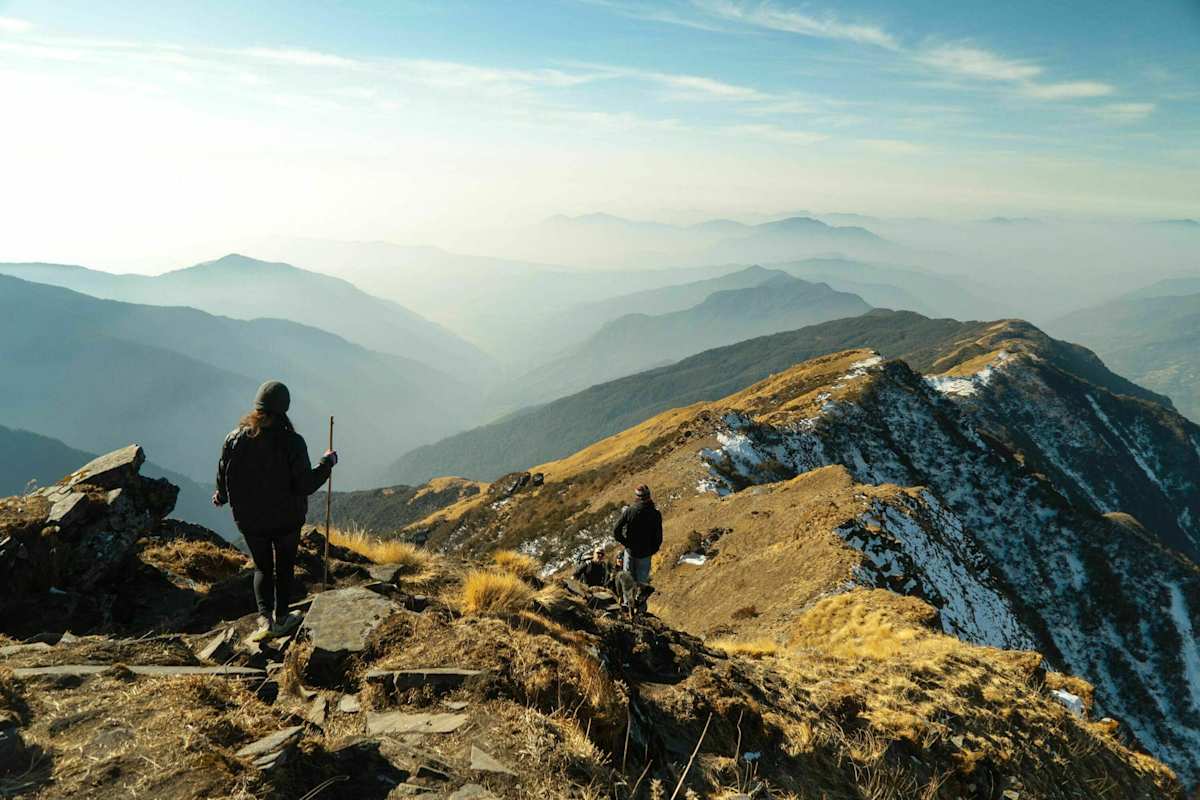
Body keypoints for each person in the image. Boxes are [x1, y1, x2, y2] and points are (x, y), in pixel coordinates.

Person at [214, 381, 337, 637]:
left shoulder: (234, 439)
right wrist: (327, 463)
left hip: (249, 520)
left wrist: (222, 496)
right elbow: (305, 484)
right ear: (285, 408)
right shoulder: (293, 442)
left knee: (262, 567)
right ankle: (281, 618)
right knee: (283, 567)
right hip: (286, 520)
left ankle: (264, 619)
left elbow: (225, 472)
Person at [612, 484, 662, 600]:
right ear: (649, 496)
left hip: (630, 552)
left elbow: (616, 530)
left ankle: (626, 605)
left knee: (628, 581)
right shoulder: (655, 514)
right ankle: (639, 608)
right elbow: (658, 537)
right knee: (642, 582)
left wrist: (625, 543)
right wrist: (652, 550)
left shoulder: (630, 511)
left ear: (637, 497)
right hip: (645, 554)